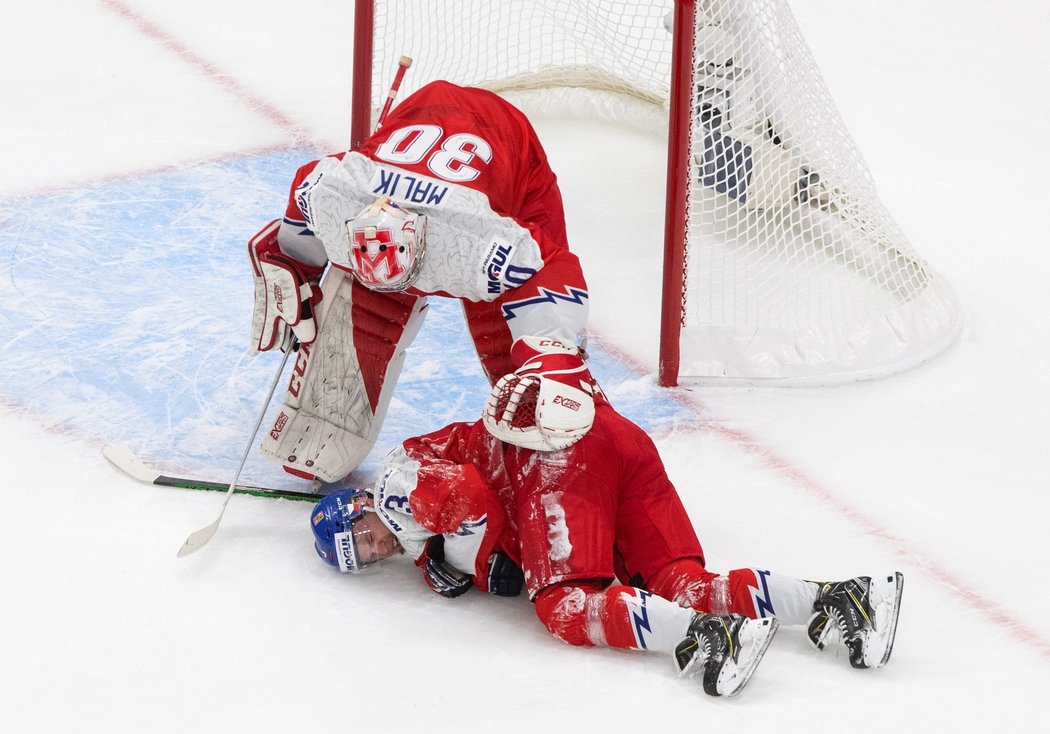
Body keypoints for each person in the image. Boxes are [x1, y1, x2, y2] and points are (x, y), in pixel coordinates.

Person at [309, 344, 904, 697]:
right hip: (612, 437)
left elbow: (465, 498)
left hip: (556, 452)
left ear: (359, 506)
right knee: (679, 584)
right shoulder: (416, 534)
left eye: (357, 537)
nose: (371, 549)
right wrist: (449, 559)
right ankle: (841, 601)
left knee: (564, 606)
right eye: (359, 559)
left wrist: (471, 561)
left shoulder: (399, 482)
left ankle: (705, 637)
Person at [246, 80, 593, 484]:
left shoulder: (475, 245)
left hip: (508, 143)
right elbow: (309, 182)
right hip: (423, 111)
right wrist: (295, 266)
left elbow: (552, 263)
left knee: (518, 339)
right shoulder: (336, 195)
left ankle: (568, 433)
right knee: (367, 297)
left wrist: (550, 353)